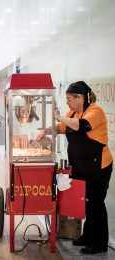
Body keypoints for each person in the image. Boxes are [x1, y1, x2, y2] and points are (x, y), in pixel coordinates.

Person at [37, 81, 113, 255]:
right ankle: (87, 236)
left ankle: (99, 243)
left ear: (81, 97)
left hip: (99, 166)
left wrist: (58, 117)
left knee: (96, 204)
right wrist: (46, 130)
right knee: (86, 203)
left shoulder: (95, 111)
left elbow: (80, 125)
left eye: (70, 98)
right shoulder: (73, 112)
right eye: (67, 99)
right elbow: (62, 126)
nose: (68, 102)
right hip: (82, 166)